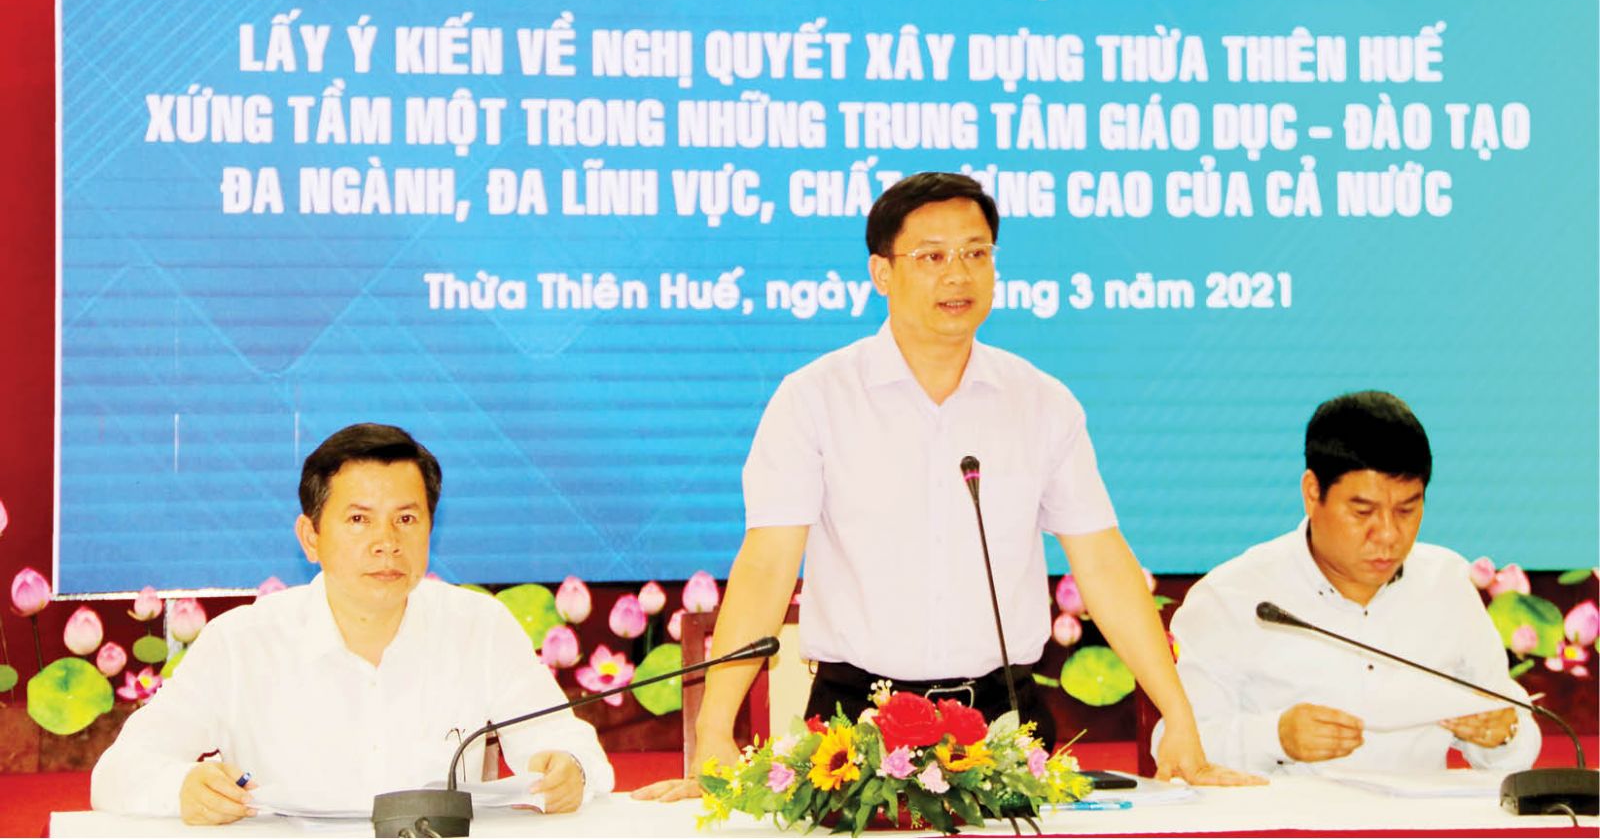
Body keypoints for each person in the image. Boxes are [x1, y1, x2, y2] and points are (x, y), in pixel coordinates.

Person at [638, 172, 1257, 802]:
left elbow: (1102, 563)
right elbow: (767, 567)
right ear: (882, 273)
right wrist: (715, 731)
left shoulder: (1041, 403)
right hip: (855, 727)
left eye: (976, 253)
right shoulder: (815, 400)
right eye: (932, 257)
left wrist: (1178, 717)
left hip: (1004, 724)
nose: (958, 274)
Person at [92, 423, 614, 824]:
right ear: (311, 537)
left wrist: (570, 769)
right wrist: (184, 788)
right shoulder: (240, 643)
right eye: (359, 519)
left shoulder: (479, 627)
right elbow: (118, 772)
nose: (386, 542)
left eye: (406, 519)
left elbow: (573, 749)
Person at [1157, 391, 1541, 774]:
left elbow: (1517, 732)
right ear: (1313, 493)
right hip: (1290, 812)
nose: (1388, 534)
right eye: (1363, 512)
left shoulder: (1445, 582)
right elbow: (1174, 746)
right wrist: (1274, 738)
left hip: (1421, 811)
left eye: (1406, 510)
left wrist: (1503, 735)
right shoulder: (1232, 596)